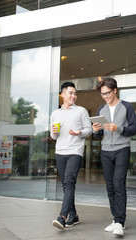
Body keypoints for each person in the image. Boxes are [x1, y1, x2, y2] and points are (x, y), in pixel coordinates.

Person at [92, 77, 136, 236]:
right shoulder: (101, 110)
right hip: (105, 151)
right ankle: (116, 219)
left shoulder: (127, 107)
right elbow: (98, 135)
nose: (105, 96)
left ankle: (120, 221)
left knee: (119, 184)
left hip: (122, 149)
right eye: (102, 94)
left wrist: (118, 128)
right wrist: (96, 130)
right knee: (110, 186)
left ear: (115, 90)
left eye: (107, 93)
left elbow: (134, 128)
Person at [51, 81, 92, 230]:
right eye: (71, 93)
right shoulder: (56, 113)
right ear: (63, 94)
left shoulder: (81, 111)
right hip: (60, 152)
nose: (74, 96)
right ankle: (73, 215)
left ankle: (62, 217)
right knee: (66, 185)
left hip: (75, 151)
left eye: (75, 93)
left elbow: (89, 130)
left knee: (69, 182)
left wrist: (79, 132)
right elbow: (54, 137)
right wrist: (54, 132)